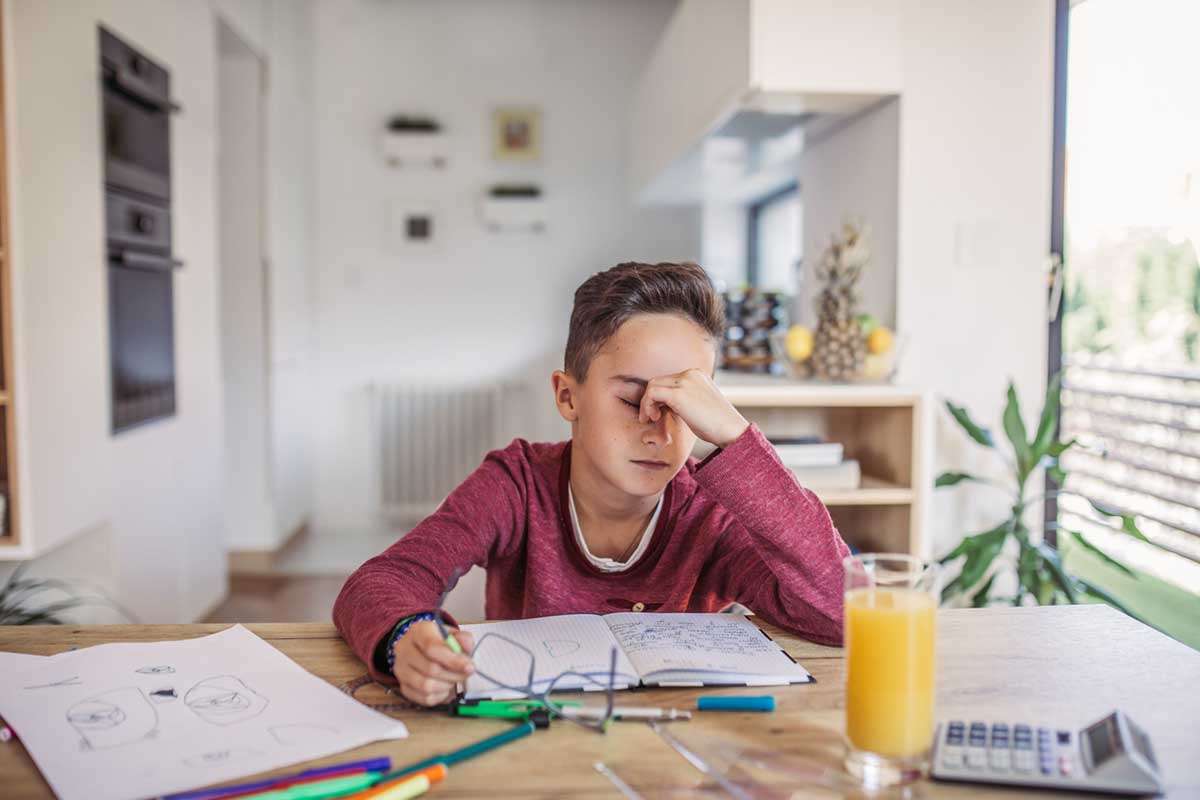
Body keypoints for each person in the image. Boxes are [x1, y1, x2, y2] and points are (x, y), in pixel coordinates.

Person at [333, 261, 851, 707]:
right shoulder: (516, 485)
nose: (659, 432)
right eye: (633, 401)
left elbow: (846, 614)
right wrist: (405, 637)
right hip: (538, 739)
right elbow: (382, 580)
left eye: (686, 407)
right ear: (567, 397)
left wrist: (738, 441)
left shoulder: (710, 510)